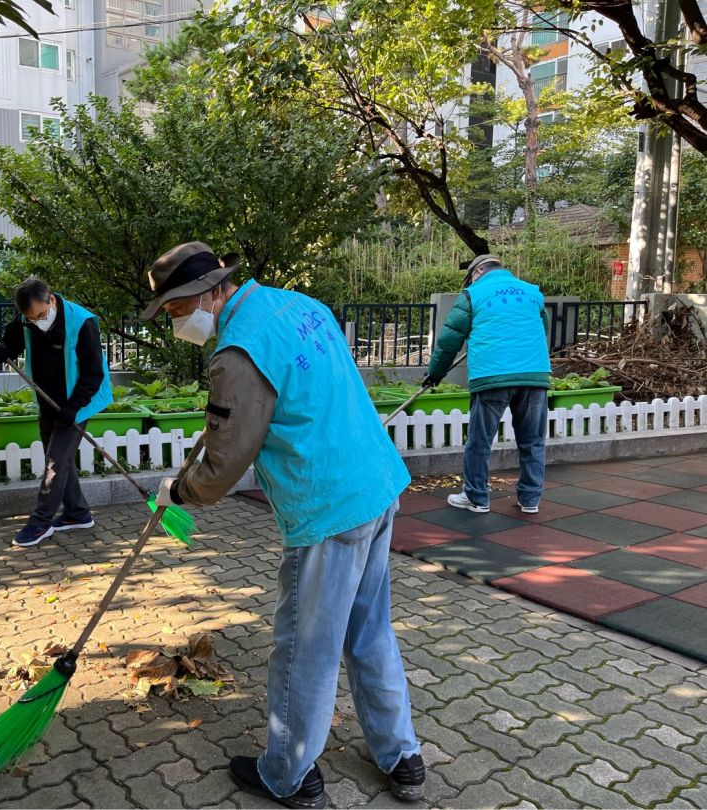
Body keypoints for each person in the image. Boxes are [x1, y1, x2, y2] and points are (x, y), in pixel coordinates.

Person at [145, 241, 425, 808]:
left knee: (304, 648)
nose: (176, 324)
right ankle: (403, 757)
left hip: (328, 508)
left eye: (175, 310)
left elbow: (223, 467)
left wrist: (179, 490)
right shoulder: (298, 305)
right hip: (375, 483)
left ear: (207, 293)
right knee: (368, 629)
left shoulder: (237, 353)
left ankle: (290, 773)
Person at [423, 253, 551, 514]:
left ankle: (476, 497)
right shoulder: (532, 292)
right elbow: (542, 329)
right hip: (534, 374)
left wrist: (435, 373)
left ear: (478, 272)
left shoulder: (473, 293)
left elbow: (449, 340)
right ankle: (530, 500)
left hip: (492, 375)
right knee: (533, 441)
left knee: (480, 441)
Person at [0, 277, 113, 547]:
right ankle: (77, 513)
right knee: (59, 458)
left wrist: (73, 407)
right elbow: (13, 342)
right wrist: (4, 350)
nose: (37, 321)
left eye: (41, 315)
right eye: (31, 318)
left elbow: (94, 373)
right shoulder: (27, 319)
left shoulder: (83, 322)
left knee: (55, 463)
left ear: (52, 300)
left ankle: (41, 522)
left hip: (78, 401)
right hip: (47, 399)